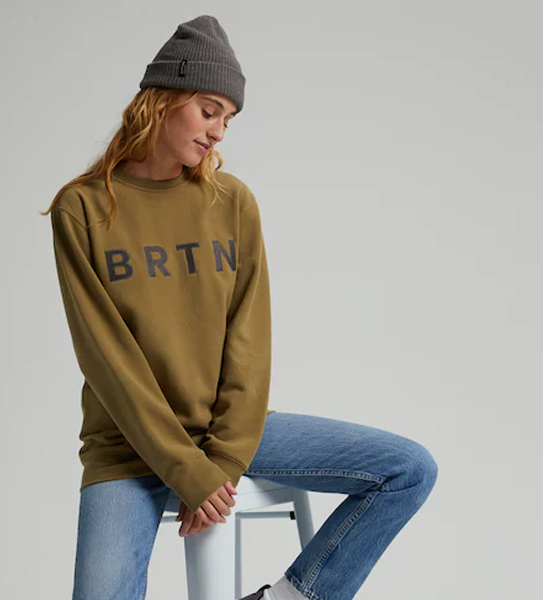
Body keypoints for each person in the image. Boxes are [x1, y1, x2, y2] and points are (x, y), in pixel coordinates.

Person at [42, 14, 439, 600]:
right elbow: (109, 361)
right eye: (209, 111)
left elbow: (249, 342)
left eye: (228, 119)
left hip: (233, 431)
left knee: (408, 469)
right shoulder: (83, 208)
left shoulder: (231, 202)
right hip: (127, 447)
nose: (219, 132)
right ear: (163, 99)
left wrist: (222, 460)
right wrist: (188, 471)